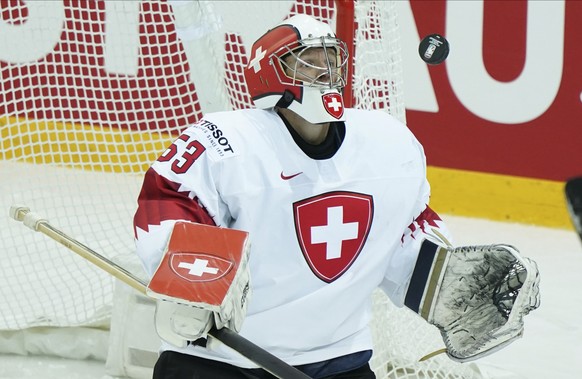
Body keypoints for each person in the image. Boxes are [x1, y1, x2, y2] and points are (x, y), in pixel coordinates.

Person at [133, 14, 540, 379]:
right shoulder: (228, 139)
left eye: (331, 58)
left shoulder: (387, 141)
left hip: (340, 359)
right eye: (306, 59)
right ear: (267, 74)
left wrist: (456, 284)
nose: (324, 69)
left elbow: (406, 228)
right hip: (220, 361)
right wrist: (193, 282)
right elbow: (167, 200)